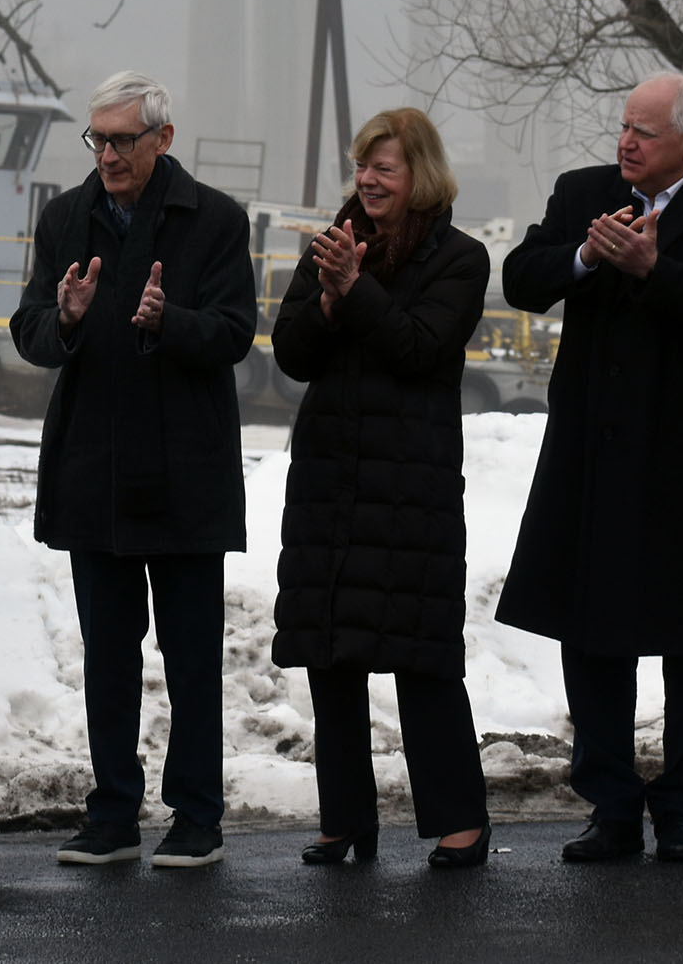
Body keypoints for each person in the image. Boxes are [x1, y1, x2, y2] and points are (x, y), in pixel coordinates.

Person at [496, 72, 683, 863]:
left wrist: (654, 269)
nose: (625, 142)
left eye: (644, 132)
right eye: (623, 126)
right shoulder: (584, 191)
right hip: (591, 451)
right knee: (592, 633)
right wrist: (587, 255)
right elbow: (523, 276)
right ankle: (610, 802)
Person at [9, 70, 256, 870]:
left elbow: (234, 333)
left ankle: (196, 815)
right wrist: (67, 318)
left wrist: (167, 318)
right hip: (96, 469)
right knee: (108, 657)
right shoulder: (65, 216)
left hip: (185, 470)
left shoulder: (214, 219)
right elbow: (29, 331)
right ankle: (111, 810)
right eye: (98, 138)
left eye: (122, 139)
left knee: (191, 658)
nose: (108, 153)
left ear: (164, 139)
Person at [269, 108, 491, 870]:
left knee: (421, 654)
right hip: (332, 473)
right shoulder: (333, 243)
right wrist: (329, 298)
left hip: (413, 479)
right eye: (363, 166)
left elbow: (420, 348)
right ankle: (344, 821)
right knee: (331, 650)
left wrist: (354, 290)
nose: (367, 180)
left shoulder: (462, 258)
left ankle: (460, 820)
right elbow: (291, 353)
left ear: (420, 174)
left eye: (385, 168)